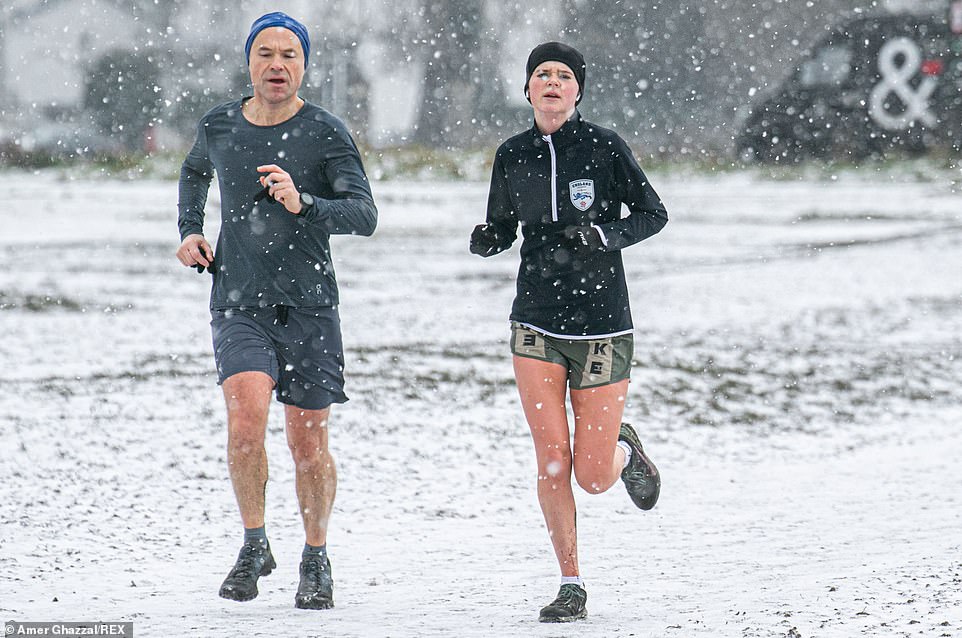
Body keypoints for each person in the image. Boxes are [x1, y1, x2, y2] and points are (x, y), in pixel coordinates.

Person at [175, 11, 377, 610]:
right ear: (249, 62)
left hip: (311, 306)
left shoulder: (326, 132)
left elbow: (363, 216)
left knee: (307, 442)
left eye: (290, 55)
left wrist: (304, 201)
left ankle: (315, 555)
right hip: (239, 299)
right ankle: (254, 542)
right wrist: (190, 231)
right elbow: (193, 172)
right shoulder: (219, 125)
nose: (277, 65)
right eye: (266, 53)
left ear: (305, 65)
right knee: (245, 420)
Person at [470, 41, 667, 623]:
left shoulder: (605, 148)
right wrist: (490, 238)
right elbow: (505, 224)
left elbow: (653, 215)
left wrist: (606, 236)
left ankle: (623, 449)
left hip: (602, 323)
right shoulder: (512, 155)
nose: (552, 82)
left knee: (592, 477)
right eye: (541, 75)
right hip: (534, 321)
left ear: (578, 90)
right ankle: (571, 582)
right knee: (552, 460)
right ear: (527, 90)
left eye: (563, 75)